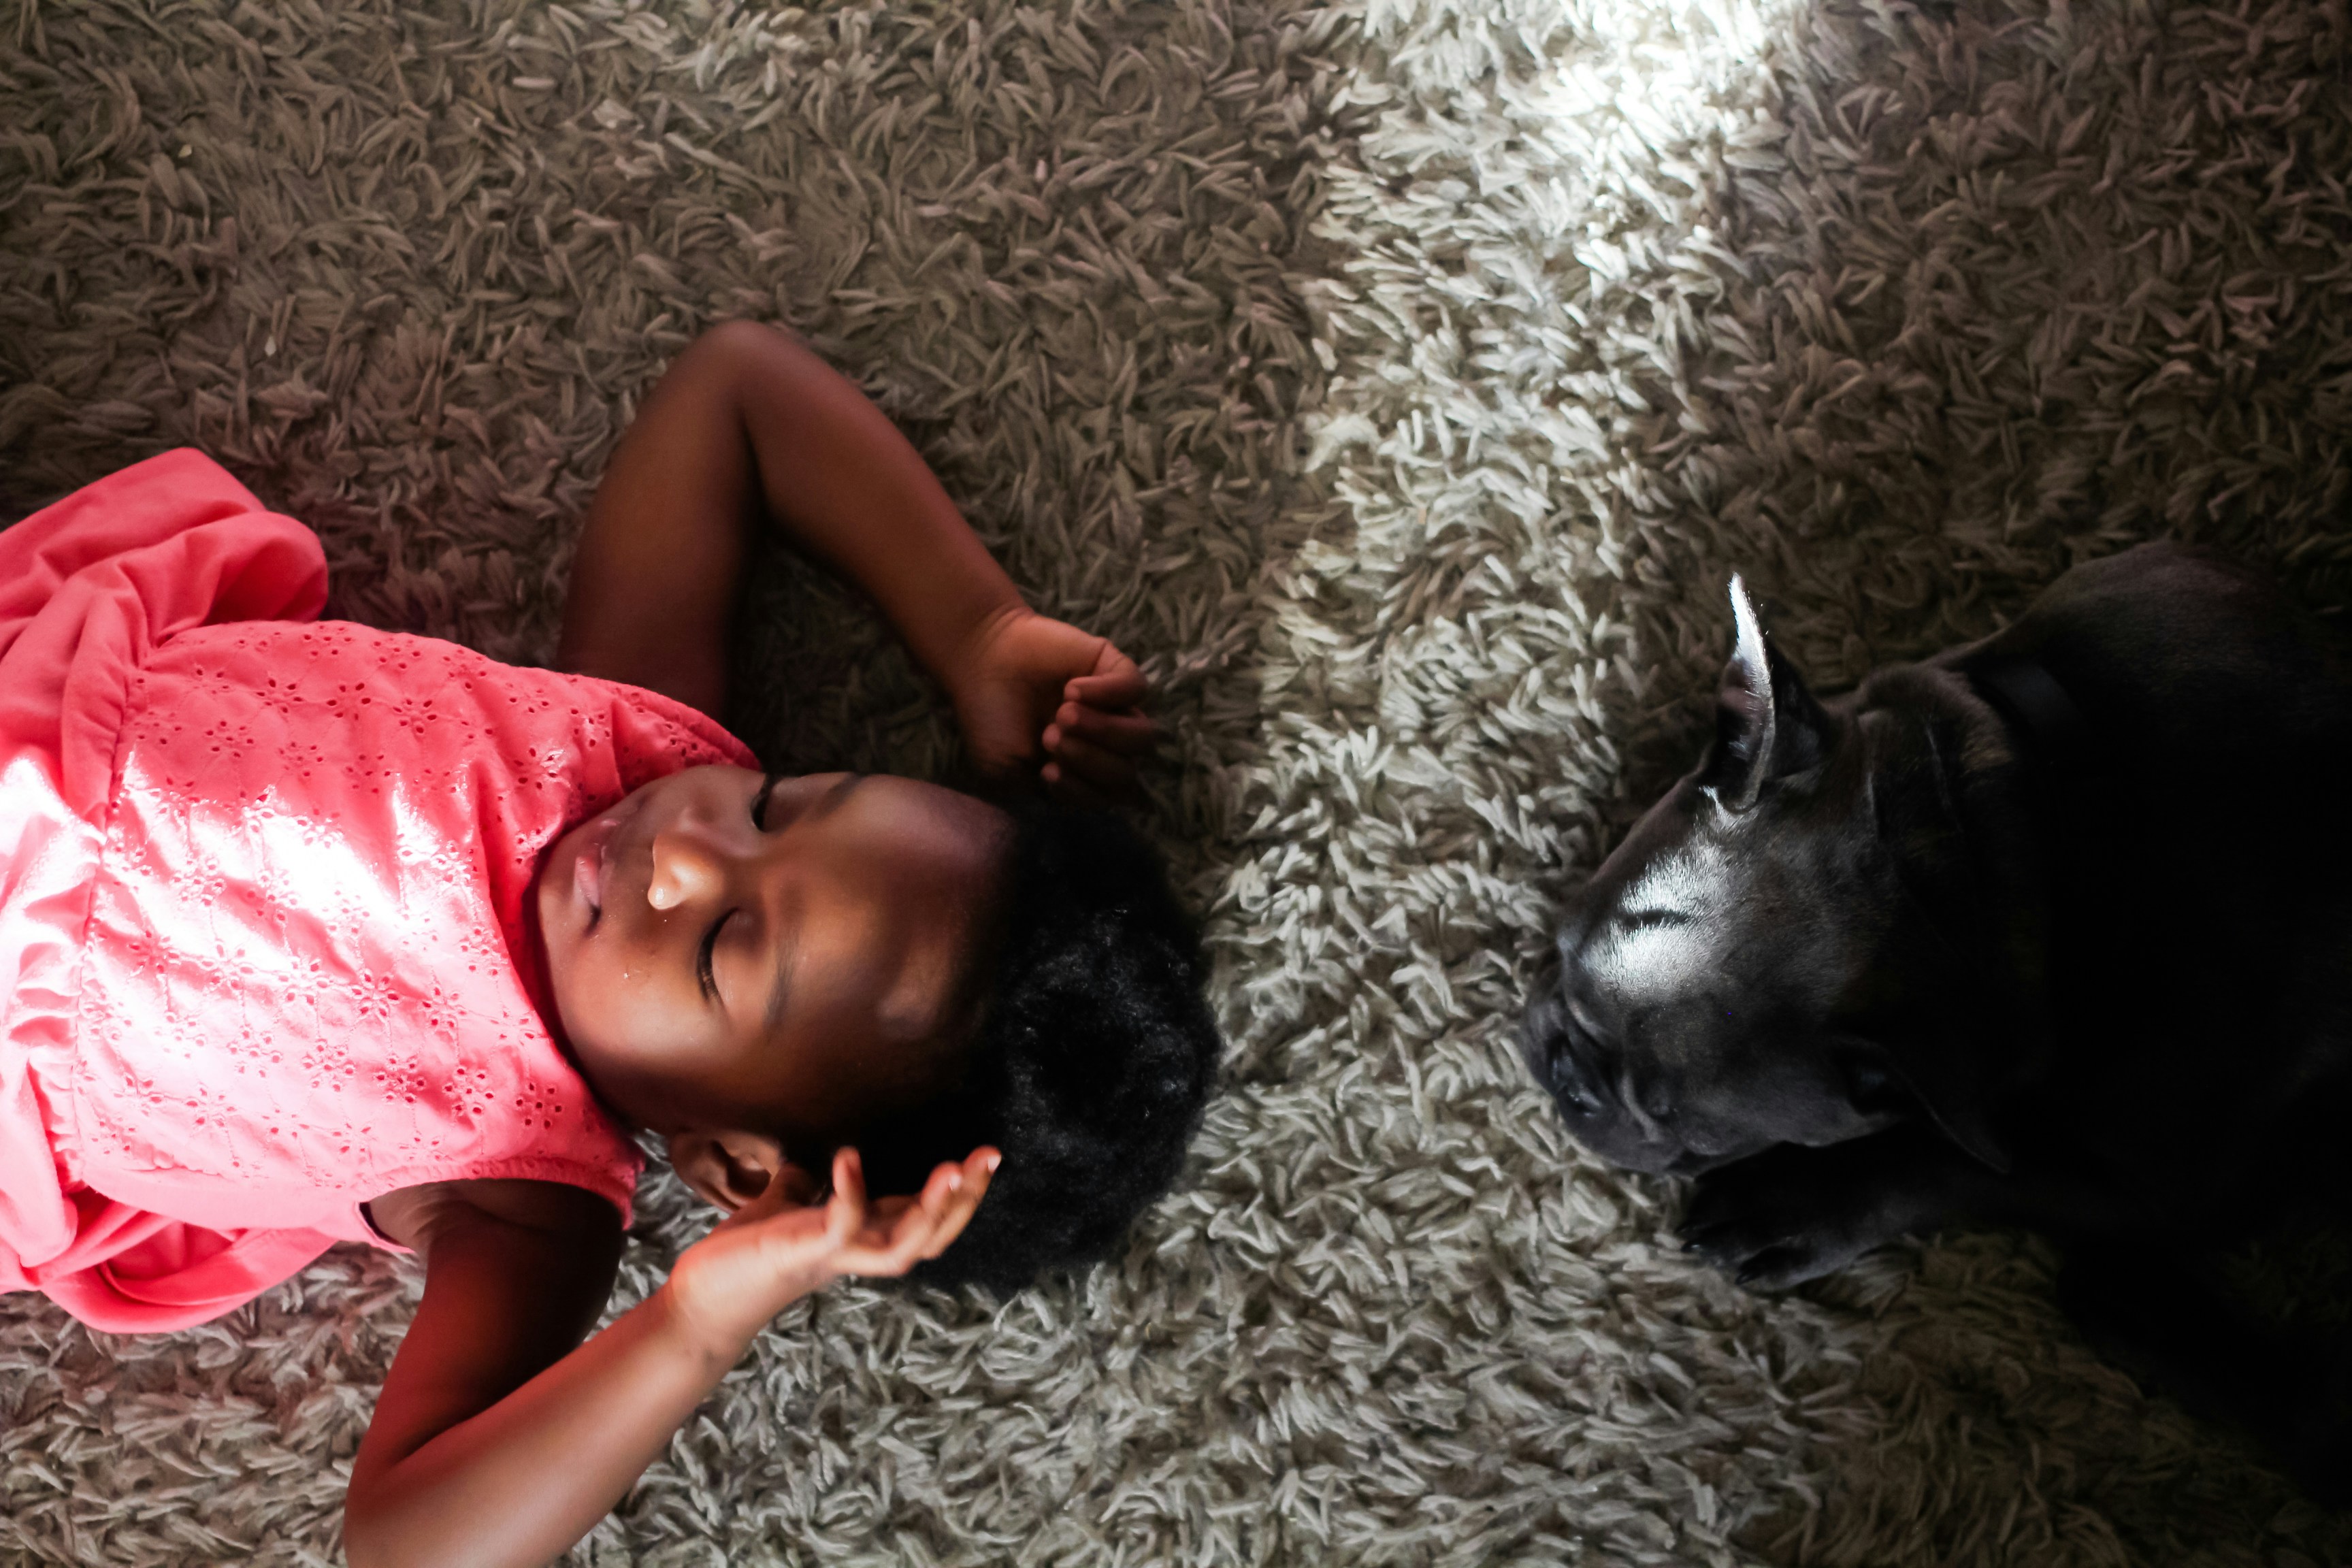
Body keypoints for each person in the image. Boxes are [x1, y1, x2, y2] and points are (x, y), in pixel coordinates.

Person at [0, 321, 1220, 1568]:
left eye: (725, 945)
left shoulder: (524, 1202)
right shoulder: (640, 744)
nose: (683, 849)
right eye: (779, 805)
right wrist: (972, 627)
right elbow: (737, 392)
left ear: (736, 1170)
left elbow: (408, 1543)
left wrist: (700, 1320)